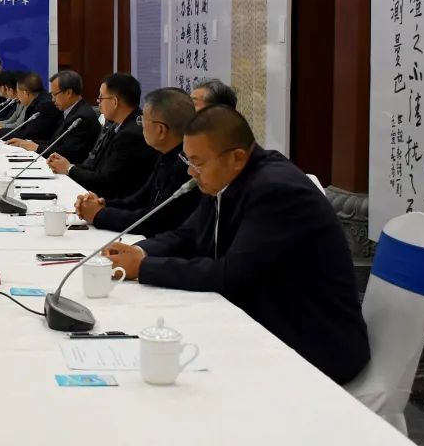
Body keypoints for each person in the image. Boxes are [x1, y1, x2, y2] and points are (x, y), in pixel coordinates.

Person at [102, 106, 370, 385]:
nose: (191, 172)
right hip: (262, 318)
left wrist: (144, 268)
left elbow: (231, 275)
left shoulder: (276, 190)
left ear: (237, 157)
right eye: (188, 160)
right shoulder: (225, 177)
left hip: (312, 342)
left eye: (198, 162)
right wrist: (140, 251)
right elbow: (189, 235)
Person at [74, 87, 199, 236]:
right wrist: (102, 204)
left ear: (161, 130)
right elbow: (138, 200)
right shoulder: (165, 156)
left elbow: (156, 221)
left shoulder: (185, 168)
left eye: (143, 119)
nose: (140, 123)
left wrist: (99, 214)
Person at [47, 73, 158, 198]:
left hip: (116, 201)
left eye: (101, 98)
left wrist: (69, 169)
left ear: (114, 102)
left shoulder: (130, 135)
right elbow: (95, 167)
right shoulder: (116, 125)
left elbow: (105, 181)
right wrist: (67, 165)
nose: (98, 101)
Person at [8, 70, 100, 162]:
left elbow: (68, 153)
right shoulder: (69, 111)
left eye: (55, 94)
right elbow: (53, 142)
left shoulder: (81, 118)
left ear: (68, 93)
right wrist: (27, 142)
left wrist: (37, 147)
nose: (52, 99)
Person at [0, 72, 60, 143]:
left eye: (18, 92)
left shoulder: (44, 106)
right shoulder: (37, 101)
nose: (17, 96)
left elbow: (28, 134)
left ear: (25, 93)